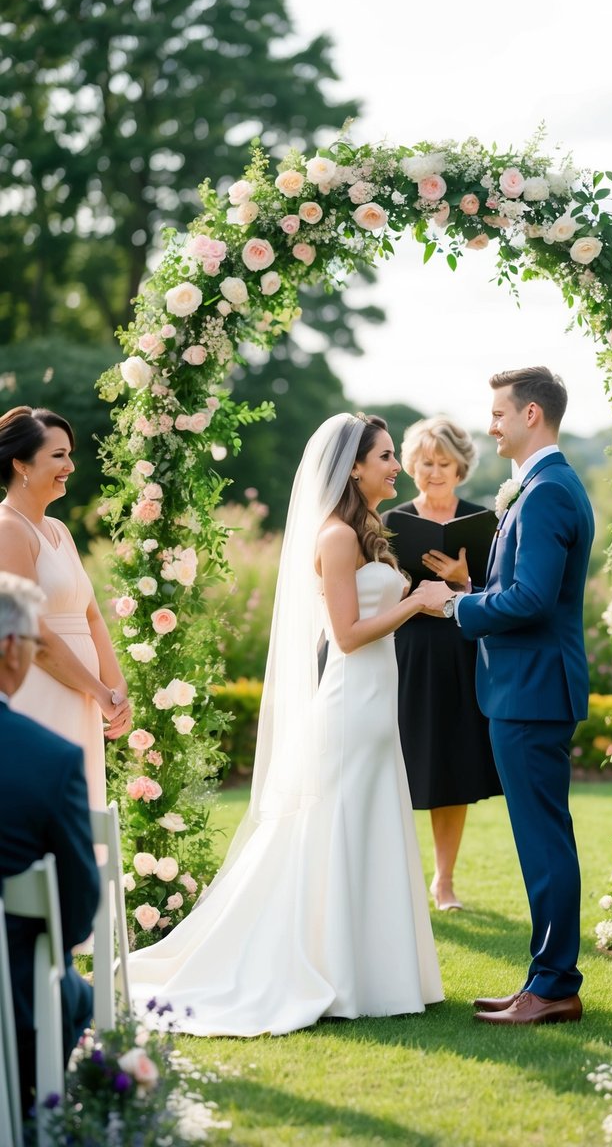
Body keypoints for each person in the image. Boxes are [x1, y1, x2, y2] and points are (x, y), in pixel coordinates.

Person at [129, 413, 443, 1035]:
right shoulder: (334, 537)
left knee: (368, 829)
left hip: (377, 711)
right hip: (350, 708)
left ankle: (378, 973)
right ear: (353, 466)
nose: (395, 467)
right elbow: (348, 638)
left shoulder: (366, 529)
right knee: (335, 833)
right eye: (384, 456)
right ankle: (329, 971)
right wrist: (415, 602)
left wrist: (431, 596)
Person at [418, 368, 594, 1026]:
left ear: (528, 414)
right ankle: (542, 979)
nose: (489, 426)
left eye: (496, 414)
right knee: (539, 841)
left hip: (531, 693)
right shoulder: (540, 487)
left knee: (544, 843)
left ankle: (552, 987)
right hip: (522, 690)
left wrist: (455, 604)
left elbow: (530, 599)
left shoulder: (547, 492)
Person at [384, 417, 501, 912]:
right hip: (404, 651)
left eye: (443, 463)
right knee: (396, 765)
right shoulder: (389, 522)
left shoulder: (486, 521)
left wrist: (463, 578)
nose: (433, 472)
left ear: (460, 468)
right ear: (412, 465)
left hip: (458, 650)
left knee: (449, 767)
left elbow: (503, 594)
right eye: (425, 462)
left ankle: (444, 881)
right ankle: (394, 880)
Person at [0, 572, 99, 1120]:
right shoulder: (50, 761)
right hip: (15, 998)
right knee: (74, 995)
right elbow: (80, 911)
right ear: (13, 649)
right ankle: (28, 1114)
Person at [0, 406, 133, 808]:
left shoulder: (57, 529)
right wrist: (99, 692)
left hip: (84, 697)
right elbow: (33, 632)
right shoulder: (8, 529)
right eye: (58, 455)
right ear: (20, 463)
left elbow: (90, 614)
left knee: (83, 803)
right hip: (43, 691)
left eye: (69, 454)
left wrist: (117, 687)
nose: (70, 466)